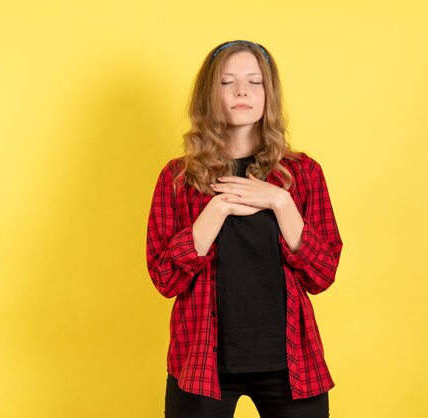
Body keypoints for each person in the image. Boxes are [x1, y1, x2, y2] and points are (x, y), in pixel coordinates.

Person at [145, 40, 344, 418]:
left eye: (254, 82)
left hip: (291, 362)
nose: (241, 91)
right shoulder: (178, 178)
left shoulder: (302, 174)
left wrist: (280, 202)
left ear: (268, 93)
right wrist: (216, 208)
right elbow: (165, 278)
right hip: (203, 361)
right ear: (209, 94)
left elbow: (322, 275)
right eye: (227, 82)